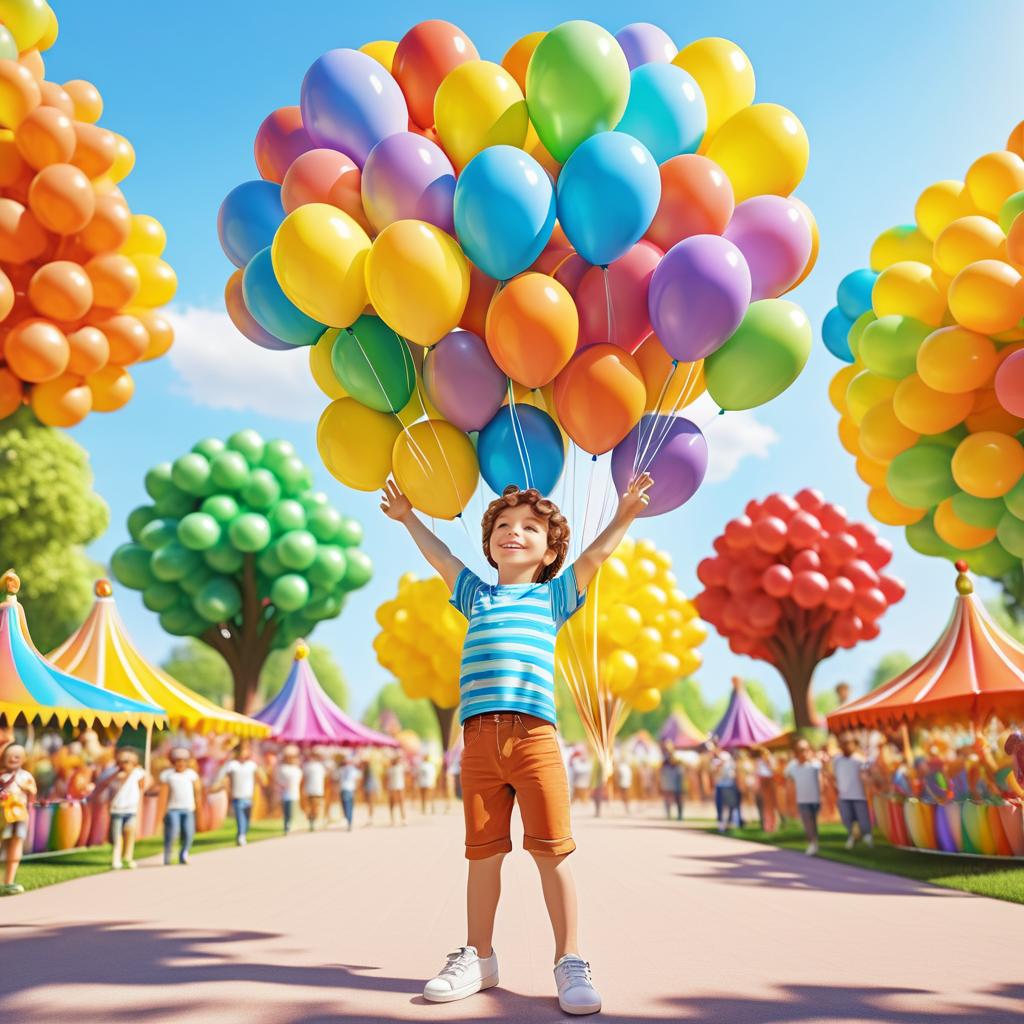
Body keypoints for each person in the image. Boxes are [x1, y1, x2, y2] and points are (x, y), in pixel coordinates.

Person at [382, 471, 653, 1014]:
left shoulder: (553, 597)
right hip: (478, 742)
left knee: (552, 852)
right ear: (488, 544)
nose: (514, 532)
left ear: (550, 549)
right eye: (503, 525)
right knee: (482, 855)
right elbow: (440, 559)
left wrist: (623, 515)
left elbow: (595, 560)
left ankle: (569, 960)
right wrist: (409, 515)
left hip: (535, 740)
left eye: (530, 527)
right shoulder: (474, 595)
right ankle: (478, 957)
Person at [0, 743, 36, 896]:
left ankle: (9, 880)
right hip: (4, 816)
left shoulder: (26, 776)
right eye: (9, 756)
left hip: (20, 816)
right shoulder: (2, 777)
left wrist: (27, 788)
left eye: (17, 756)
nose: (13, 759)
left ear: (23, 759)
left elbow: (33, 793)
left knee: (16, 844)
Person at [105, 748, 147, 869]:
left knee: (130, 834)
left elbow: (143, 786)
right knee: (117, 837)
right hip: (117, 811)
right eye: (122, 761)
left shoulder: (138, 773)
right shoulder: (115, 775)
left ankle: (128, 857)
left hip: (131, 810)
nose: (125, 764)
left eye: (128, 762)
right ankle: (116, 858)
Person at [832, 733, 874, 850]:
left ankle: (867, 837)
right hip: (844, 796)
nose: (846, 746)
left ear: (854, 744)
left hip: (859, 795)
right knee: (847, 818)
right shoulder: (837, 760)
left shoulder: (860, 760)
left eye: (848, 743)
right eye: (843, 743)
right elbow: (834, 776)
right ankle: (853, 836)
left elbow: (867, 777)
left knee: (863, 819)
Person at [218, 741, 264, 846]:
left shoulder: (252, 765)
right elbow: (224, 777)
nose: (244, 752)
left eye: (246, 750)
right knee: (240, 818)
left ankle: (243, 834)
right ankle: (241, 835)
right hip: (237, 796)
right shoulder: (232, 765)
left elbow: (260, 778)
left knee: (247, 819)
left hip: (249, 797)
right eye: (242, 750)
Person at [160, 748, 201, 865]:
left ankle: (184, 853)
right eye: (178, 761)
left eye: (183, 761)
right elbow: (163, 794)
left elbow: (197, 792)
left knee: (189, 833)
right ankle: (168, 855)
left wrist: (199, 809)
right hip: (173, 809)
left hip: (188, 809)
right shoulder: (168, 775)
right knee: (173, 832)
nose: (181, 764)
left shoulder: (191, 775)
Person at [786, 738, 823, 855]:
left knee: (814, 822)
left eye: (806, 749)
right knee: (808, 822)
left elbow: (822, 781)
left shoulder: (815, 765)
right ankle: (812, 843)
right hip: (802, 800)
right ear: (796, 752)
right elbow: (788, 779)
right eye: (801, 750)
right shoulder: (792, 767)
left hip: (816, 799)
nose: (804, 752)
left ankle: (815, 842)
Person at [710, 745, 740, 832]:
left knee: (731, 805)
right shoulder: (714, 760)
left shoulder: (726, 756)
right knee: (720, 806)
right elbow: (713, 772)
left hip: (728, 785)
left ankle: (732, 823)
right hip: (719, 785)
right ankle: (721, 824)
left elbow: (731, 771)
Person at [276, 745, 303, 835]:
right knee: (287, 813)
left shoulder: (296, 770)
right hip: (286, 795)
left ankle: (290, 826)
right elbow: (279, 781)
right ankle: (287, 826)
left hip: (294, 794)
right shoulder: (284, 769)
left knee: (292, 813)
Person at [335, 752, 362, 831]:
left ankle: (348, 820)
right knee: (349, 806)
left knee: (346, 806)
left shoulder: (342, 769)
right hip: (350, 789)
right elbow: (358, 778)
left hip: (345, 789)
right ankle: (349, 820)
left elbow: (335, 777)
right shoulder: (352, 769)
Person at [302, 749, 327, 830]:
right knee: (313, 807)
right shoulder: (311, 766)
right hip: (313, 790)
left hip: (315, 790)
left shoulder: (317, 766)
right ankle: (312, 820)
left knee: (314, 807)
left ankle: (312, 820)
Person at [659, 742, 684, 821]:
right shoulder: (664, 759)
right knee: (668, 798)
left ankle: (679, 815)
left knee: (678, 798)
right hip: (668, 780)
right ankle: (668, 814)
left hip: (676, 781)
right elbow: (662, 770)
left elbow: (680, 769)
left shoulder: (677, 758)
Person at [386, 751, 407, 826]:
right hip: (392, 787)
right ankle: (392, 819)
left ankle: (403, 818)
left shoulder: (400, 767)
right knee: (392, 804)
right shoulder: (390, 769)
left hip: (399, 787)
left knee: (401, 803)